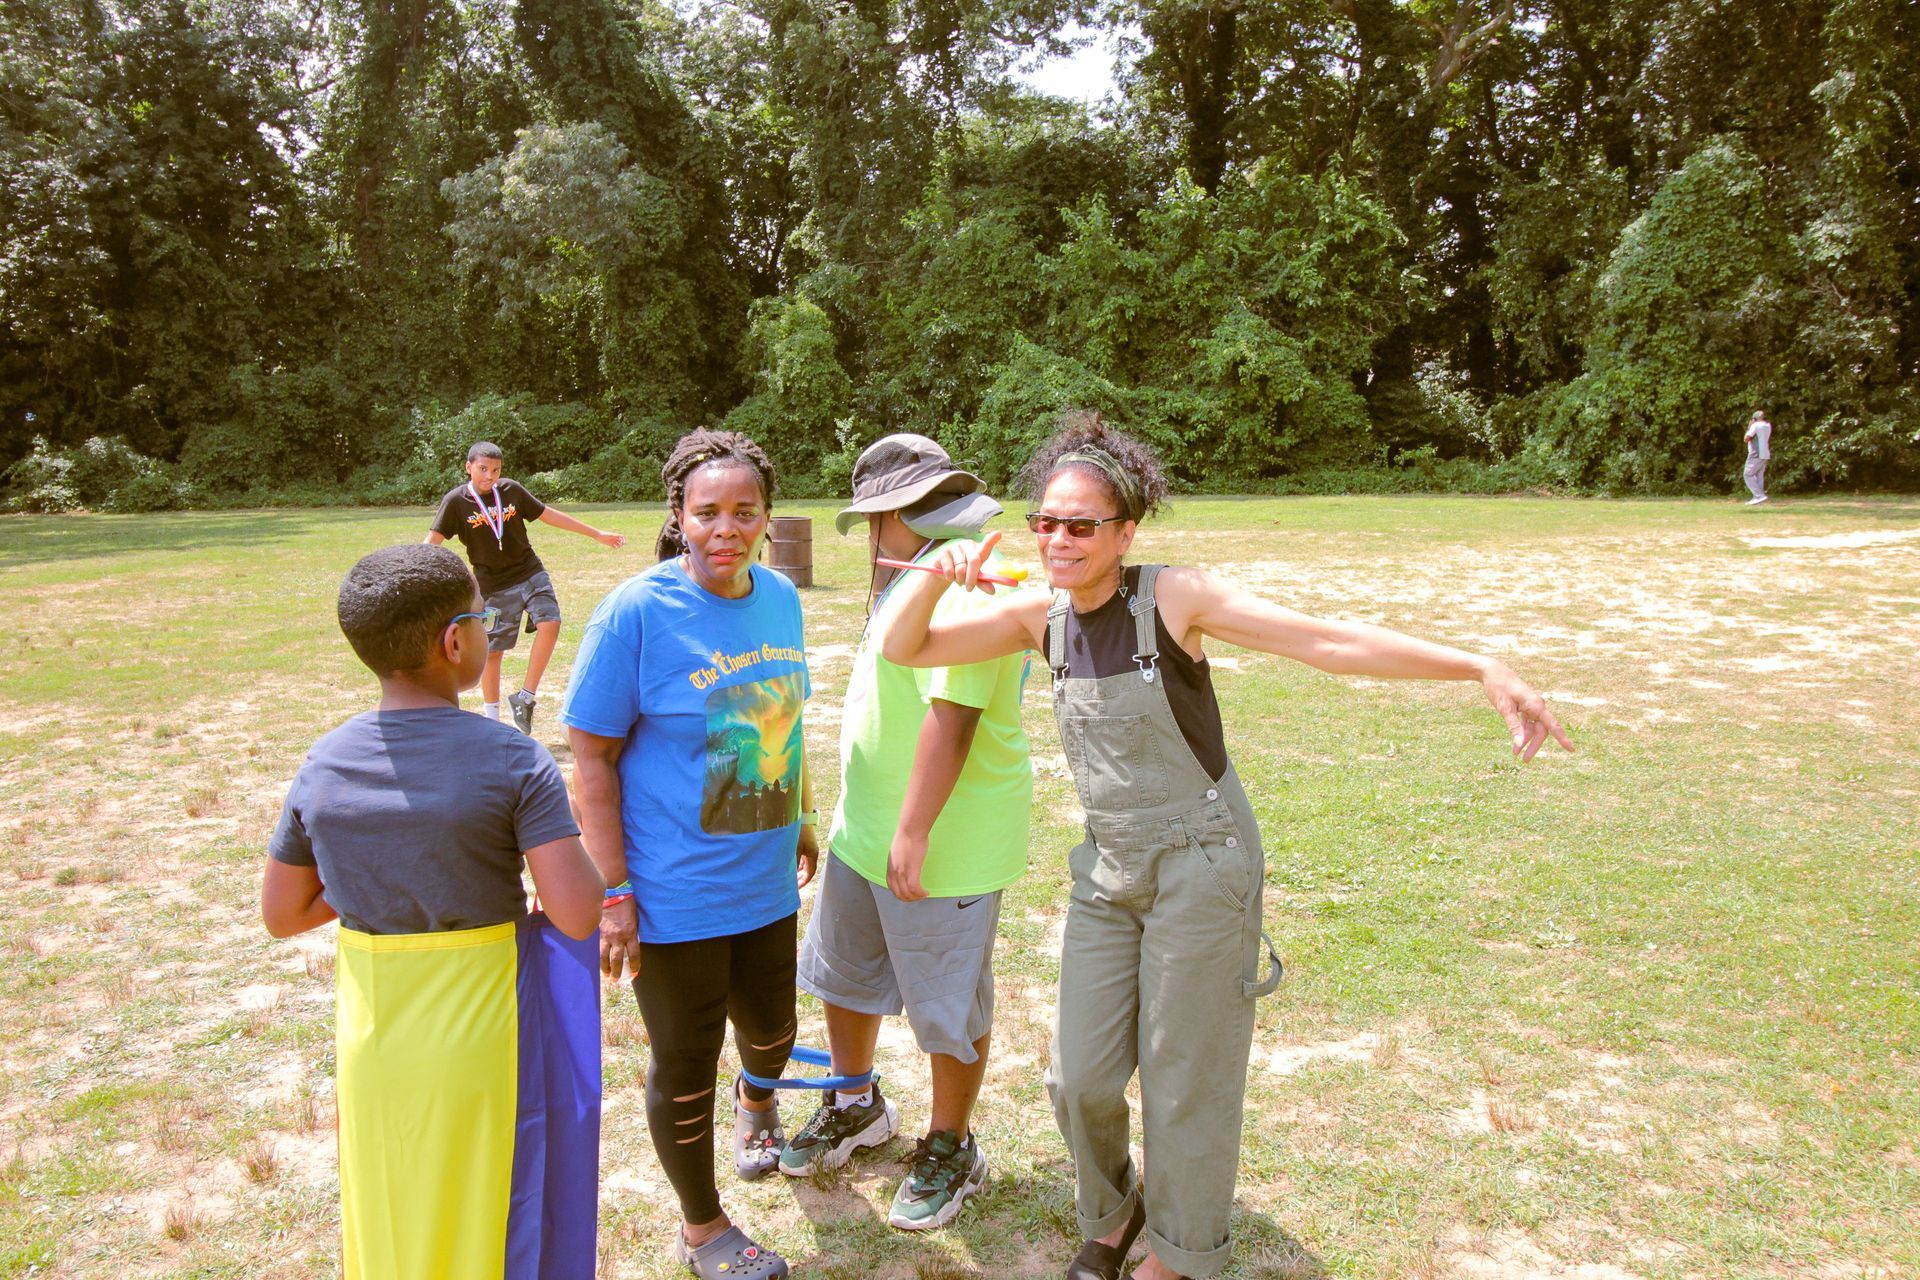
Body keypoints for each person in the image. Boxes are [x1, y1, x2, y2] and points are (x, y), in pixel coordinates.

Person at [881, 412, 1574, 1280]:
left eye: (1081, 526)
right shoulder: (1039, 616)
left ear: (1126, 533)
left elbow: (1324, 640)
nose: (1058, 540)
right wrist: (936, 574)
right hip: (1108, 866)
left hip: (1203, 864)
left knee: (1186, 1077)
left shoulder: (1173, 599)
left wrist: (1478, 665)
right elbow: (905, 648)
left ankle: (1180, 1252)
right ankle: (1113, 1208)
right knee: (1078, 1078)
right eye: (1045, 522)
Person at [261, 542, 605, 1277]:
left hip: (375, 1037)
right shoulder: (513, 760)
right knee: (497, 1208)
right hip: (486, 1032)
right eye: (483, 618)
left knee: (396, 1204)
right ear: (456, 641)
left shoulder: (324, 762)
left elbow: (283, 912)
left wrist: (377, 881)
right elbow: (577, 913)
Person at [561, 429, 818, 1280]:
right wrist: (614, 893)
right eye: (706, 512)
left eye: (745, 513)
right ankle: (703, 1228)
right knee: (684, 1064)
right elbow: (590, 758)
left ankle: (760, 1103)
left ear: (767, 519)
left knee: (774, 1034)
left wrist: (803, 812)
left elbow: (778, 713)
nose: (726, 529)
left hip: (768, 877)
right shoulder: (635, 612)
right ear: (677, 516)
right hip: (673, 892)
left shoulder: (780, 595)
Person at [779, 435, 1033, 1231]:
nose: (869, 539)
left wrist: (914, 830)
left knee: (947, 1004)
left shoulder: (964, 577)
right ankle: (855, 1103)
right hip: (869, 830)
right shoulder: (923, 570)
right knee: (843, 975)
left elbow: (951, 717)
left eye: (872, 521)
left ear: (897, 515)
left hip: (940, 847)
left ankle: (952, 1145)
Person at [427, 440, 627, 734]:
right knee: (493, 653)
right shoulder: (456, 502)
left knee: (551, 622)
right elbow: (432, 543)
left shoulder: (510, 491)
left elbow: (549, 514)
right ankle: (492, 721)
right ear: (469, 467)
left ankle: (525, 698)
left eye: (495, 470)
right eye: (483, 469)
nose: (489, 476)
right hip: (493, 586)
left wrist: (596, 533)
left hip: (530, 572)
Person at [1743, 409, 1773, 505]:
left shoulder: (1755, 425)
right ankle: (1758, 500)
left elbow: (1746, 438)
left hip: (1756, 453)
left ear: (1754, 419)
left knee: (1748, 474)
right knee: (1759, 476)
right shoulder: (1768, 425)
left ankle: (1759, 496)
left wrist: (1750, 426)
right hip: (1765, 454)